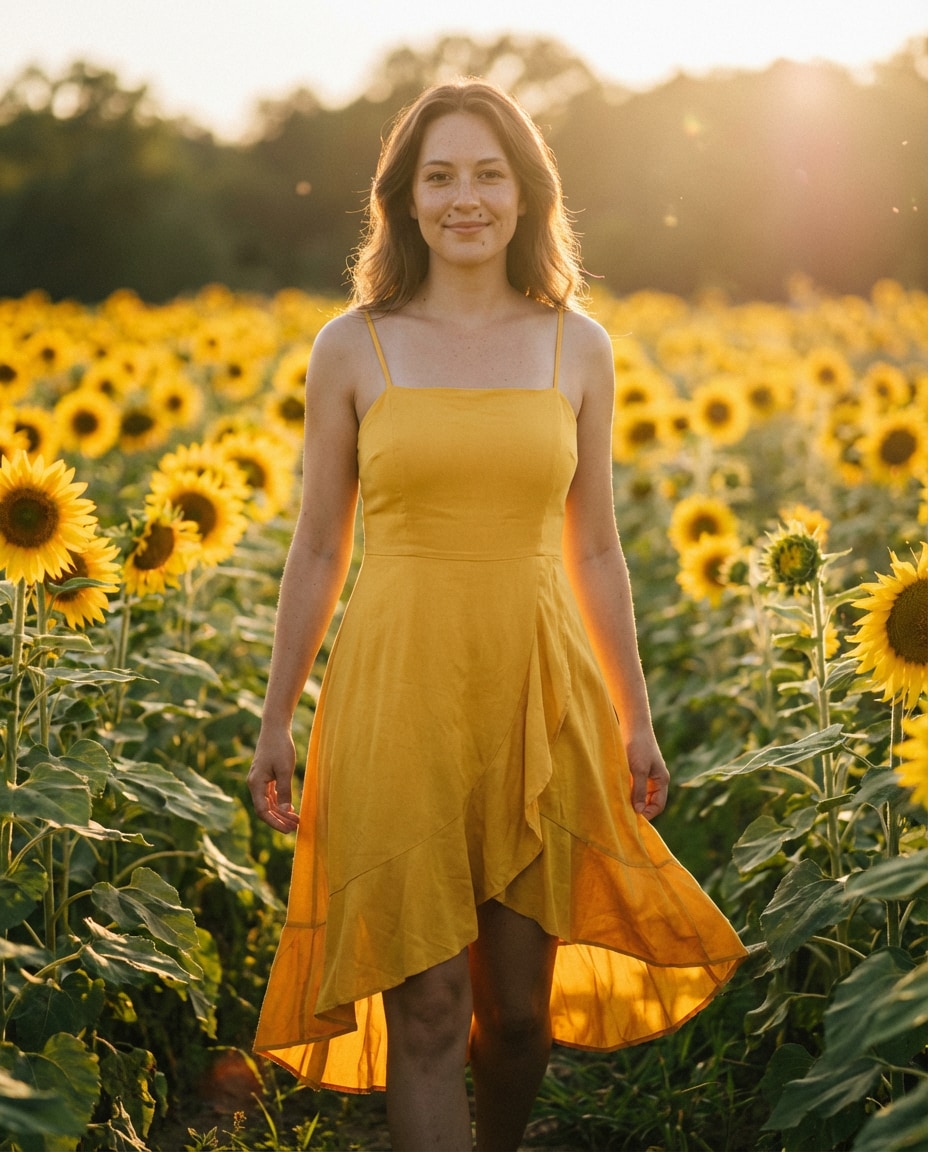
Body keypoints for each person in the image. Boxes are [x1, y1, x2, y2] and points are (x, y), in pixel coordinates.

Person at [247, 78, 747, 1151]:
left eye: (487, 174)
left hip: (537, 683)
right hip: (394, 689)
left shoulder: (577, 345)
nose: (463, 198)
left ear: (524, 196)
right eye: (439, 177)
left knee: (516, 1019)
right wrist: (277, 715)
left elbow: (598, 548)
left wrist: (636, 716)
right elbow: (321, 544)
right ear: (405, 200)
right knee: (426, 1008)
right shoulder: (352, 344)